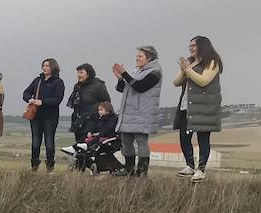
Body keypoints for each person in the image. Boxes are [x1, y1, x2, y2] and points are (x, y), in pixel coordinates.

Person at [172, 36, 224, 183]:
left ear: (203, 46)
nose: (190, 48)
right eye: (190, 46)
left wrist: (188, 69)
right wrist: (184, 70)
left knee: (203, 138)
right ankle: (189, 165)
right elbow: (176, 82)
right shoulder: (191, 62)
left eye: (193, 46)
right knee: (184, 137)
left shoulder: (212, 61)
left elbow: (203, 80)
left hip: (204, 108)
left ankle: (200, 170)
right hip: (186, 106)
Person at [113, 46, 163, 177]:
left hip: (143, 111)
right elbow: (123, 89)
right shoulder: (137, 71)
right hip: (129, 111)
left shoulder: (155, 71)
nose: (137, 58)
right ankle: (128, 168)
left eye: (140, 56)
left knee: (141, 140)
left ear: (149, 58)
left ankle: (142, 171)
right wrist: (120, 78)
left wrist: (125, 74)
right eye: (137, 56)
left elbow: (140, 86)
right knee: (126, 140)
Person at [21, 59, 65, 171]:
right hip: (36, 116)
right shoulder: (37, 80)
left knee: (49, 142)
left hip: (50, 117)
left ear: (53, 68)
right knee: (35, 142)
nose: (45, 67)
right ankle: (34, 167)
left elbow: (57, 99)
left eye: (47, 66)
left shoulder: (58, 82)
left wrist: (42, 102)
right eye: (44, 65)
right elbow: (25, 93)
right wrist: (30, 99)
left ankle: (50, 167)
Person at [67, 63, 109, 141]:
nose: (78, 75)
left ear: (88, 74)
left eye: (81, 72)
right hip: (78, 121)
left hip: (92, 122)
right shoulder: (78, 86)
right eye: (78, 72)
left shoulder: (98, 85)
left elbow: (106, 103)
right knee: (79, 146)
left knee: (88, 146)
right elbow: (74, 103)